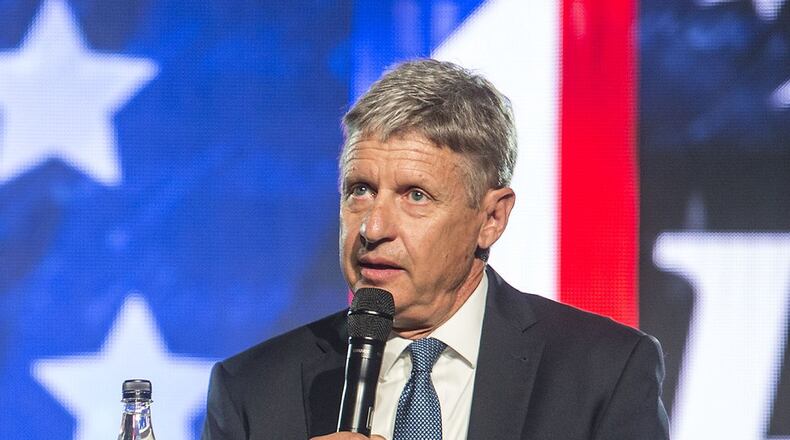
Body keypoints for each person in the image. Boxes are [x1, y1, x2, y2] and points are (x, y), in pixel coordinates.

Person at [201, 59, 670, 440]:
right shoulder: (251, 390)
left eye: (416, 195)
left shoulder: (604, 373)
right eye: (360, 190)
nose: (373, 226)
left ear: (491, 218)